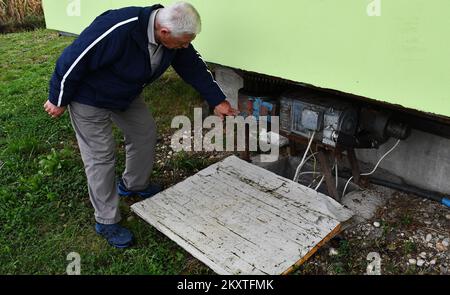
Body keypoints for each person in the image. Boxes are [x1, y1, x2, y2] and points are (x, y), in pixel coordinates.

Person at [44, 2, 237, 248]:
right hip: (88, 97)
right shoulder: (119, 26)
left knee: (144, 132)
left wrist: (217, 100)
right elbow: (73, 58)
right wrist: (57, 99)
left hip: (124, 94)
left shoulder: (174, 37)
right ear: (164, 32)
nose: (185, 47)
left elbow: (193, 66)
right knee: (100, 156)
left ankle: (133, 184)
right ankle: (106, 221)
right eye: (182, 43)